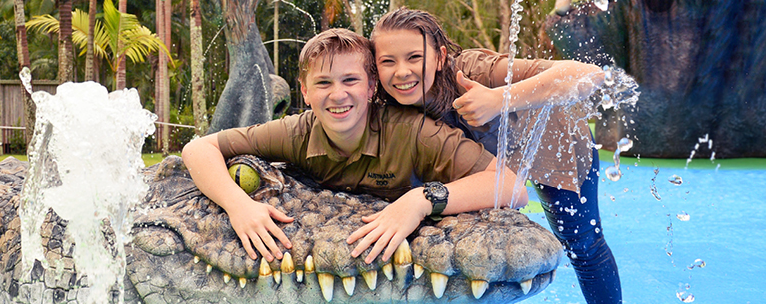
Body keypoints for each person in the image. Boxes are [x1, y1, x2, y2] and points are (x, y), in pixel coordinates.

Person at [369, 8, 629, 304]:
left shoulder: (474, 68)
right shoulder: (385, 100)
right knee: (489, 249)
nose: (402, 71)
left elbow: (588, 75)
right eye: (389, 61)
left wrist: (498, 99)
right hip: (487, 163)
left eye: (414, 57)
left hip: (553, 138)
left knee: (581, 241)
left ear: (440, 56)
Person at [181, 28, 526, 270]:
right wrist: (238, 204)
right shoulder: (296, 132)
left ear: (372, 86)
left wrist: (420, 201)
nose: (337, 95)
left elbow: (513, 188)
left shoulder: (414, 131)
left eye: (350, 80)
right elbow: (199, 149)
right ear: (304, 91)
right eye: (323, 83)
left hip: (426, 245)